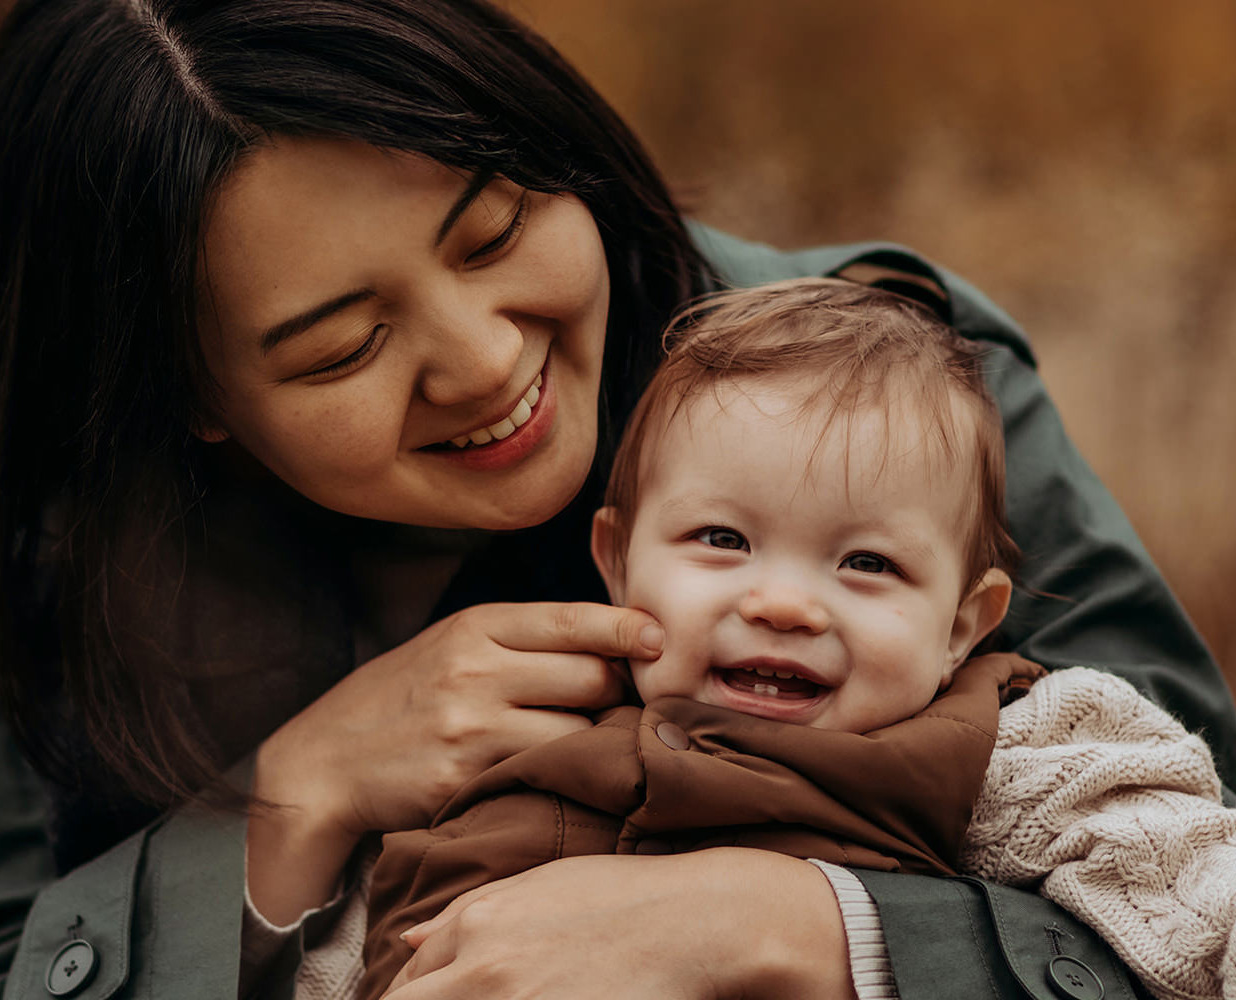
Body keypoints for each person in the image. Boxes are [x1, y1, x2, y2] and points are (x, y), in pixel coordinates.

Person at [0, 1, 1232, 998]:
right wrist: (292, 806)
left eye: (493, 231)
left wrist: (800, 929)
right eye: (341, 348)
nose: (487, 359)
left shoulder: (880, 395)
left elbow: (1195, 870)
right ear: (185, 397)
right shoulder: (81, 540)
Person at [357, 278, 1236, 1000]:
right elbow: (356, 955)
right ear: (617, 562)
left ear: (960, 627)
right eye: (722, 541)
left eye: (864, 562)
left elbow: (1200, 898)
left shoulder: (1016, 754)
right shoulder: (519, 745)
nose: (782, 604)